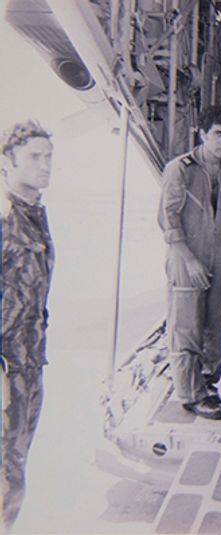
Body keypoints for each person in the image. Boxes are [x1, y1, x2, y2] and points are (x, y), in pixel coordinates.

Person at [158, 106, 221, 420]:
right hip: (185, 255)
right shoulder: (181, 169)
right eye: (218, 134)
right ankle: (191, 395)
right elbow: (168, 220)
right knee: (186, 327)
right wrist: (190, 261)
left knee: (216, 322)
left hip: (217, 254)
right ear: (203, 135)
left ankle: (205, 381)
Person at [1, 120, 54, 531]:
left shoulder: (34, 213)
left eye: (48, 157)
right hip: (6, 369)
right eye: (34, 157)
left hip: (29, 365)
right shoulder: (5, 218)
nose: (45, 165)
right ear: (7, 160)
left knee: (15, 464)